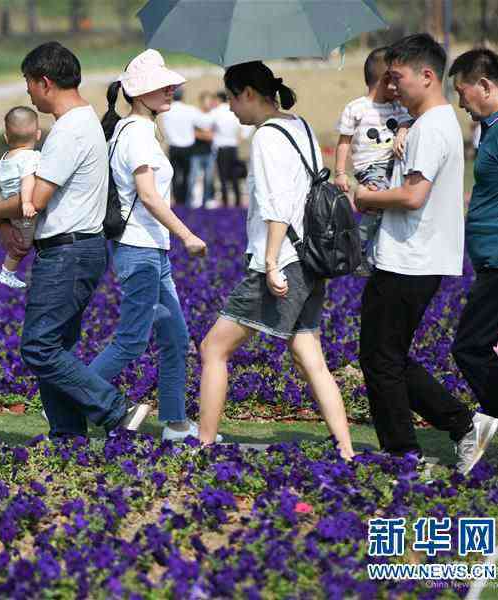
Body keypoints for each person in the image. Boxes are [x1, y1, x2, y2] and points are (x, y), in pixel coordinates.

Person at [354, 34, 498, 475]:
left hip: (409, 258)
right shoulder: (427, 126)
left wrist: (365, 197)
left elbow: (415, 196)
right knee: (386, 355)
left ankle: (407, 452)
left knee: (380, 357)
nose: (392, 86)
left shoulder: (433, 127)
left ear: (427, 76)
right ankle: (458, 427)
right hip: (414, 255)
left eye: (397, 78)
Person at [196, 61, 355, 460]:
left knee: (213, 349)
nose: (230, 108)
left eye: (232, 98)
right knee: (309, 355)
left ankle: (203, 445)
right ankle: (347, 450)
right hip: (312, 259)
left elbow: (277, 206)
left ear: (248, 93)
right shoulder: (299, 125)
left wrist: (269, 263)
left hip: (283, 259)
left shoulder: (267, 136)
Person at [0, 41, 150, 438]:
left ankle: (116, 410)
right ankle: (67, 437)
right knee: (55, 348)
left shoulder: (70, 129)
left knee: (38, 348)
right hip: (75, 250)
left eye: (29, 83)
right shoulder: (82, 123)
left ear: (45, 82)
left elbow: (38, 199)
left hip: (68, 252)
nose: (27, 92)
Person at [94, 49, 215, 442]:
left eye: (170, 85)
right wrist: (188, 235)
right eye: (161, 87)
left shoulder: (134, 132)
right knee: (131, 340)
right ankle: (66, 394)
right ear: (139, 94)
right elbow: (148, 196)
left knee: (176, 339)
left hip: (150, 252)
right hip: (140, 251)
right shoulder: (138, 136)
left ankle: (176, 424)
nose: (170, 91)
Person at [449, 48, 498, 474]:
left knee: (471, 348)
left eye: (462, 92)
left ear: (484, 85)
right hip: (496, 259)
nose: (461, 103)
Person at [334, 47, 412, 276]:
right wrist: (340, 173)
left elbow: (407, 123)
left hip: (393, 167)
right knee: (378, 207)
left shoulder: (398, 107)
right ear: (385, 80)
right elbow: (344, 142)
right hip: (370, 168)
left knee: (387, 210)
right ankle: (355, 251)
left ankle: (372, 256)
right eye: (395, 80)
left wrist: (402, 131)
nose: (399, 87)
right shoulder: (356, 108)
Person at [0, 106, 41, 289]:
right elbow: (28, 179)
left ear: (6, 137)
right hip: (23, 209)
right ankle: (7, 272)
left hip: (9, 207)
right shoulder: (30, 157)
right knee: (23, 244)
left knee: (22, 240)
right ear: (37, 135)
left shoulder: (4, 159)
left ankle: (8, 270)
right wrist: (28, 202)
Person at [159, 88, 202, 205]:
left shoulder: (167, 111)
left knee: (174, 174)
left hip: (174, 147)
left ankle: (177, 199)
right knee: (187, 174)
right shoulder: (190, 110)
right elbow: (201, 123)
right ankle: (184, 199)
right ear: (183, 96)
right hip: (188, 147)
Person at [210, 90, 252, 207]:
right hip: (233, 147)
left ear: (218, 99)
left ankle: (225, 202)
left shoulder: (216, 112)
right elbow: (245, 128)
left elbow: (205, 123)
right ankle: (238, 202)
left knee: (223, 177)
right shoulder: (232, 111)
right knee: (234, 177)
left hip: (221, 148)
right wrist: (241, 137)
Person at [188, 91, 216, 208]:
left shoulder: (213, 116)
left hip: (210, 152)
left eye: (210, 101)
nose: (208, 104)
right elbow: (194, 133)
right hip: (196, 152)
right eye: (206, 101)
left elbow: (212, 135)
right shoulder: (195, 115)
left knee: (209, 179)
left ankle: (207, 200)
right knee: (193, 178)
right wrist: (206, 133)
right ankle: (191, 201)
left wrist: (201, 132)